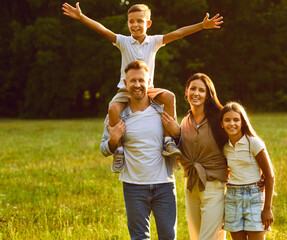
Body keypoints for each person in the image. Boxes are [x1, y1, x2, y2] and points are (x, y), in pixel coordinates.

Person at [62, 2, 224, 172]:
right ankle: (118, 151)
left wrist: (202, 26)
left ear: (148, 23)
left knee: (169, 97)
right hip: (126, 90)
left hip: (149, 89)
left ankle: (168, 141)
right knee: (113, 108)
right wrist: (81, 17)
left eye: (139, 21)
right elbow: (102, 30)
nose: (135, 25)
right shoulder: (123, 42)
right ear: (127, 24)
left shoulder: (154, 42)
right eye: (131, 21)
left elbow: (178, 33)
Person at [100, 60, 179, 240]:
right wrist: (113, 140)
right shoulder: (118, 114)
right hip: (133, 186)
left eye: (141, 80)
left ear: (149, 82)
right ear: (126, 83)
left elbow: (179, 143)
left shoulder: (162, 111)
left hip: (164, 185)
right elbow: (104, 149)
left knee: (168, 236)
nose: (137, 85)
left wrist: (177, 132)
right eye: (133, 81)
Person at [163, 73, 229, 240]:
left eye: (201, 90)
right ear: (186, 92)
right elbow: (181, 154)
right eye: (193, 89)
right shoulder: (185, 121)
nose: (196, 93)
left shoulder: (220, 119)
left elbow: (237, 144)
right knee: (196, 236)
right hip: (191, 185)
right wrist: (176, 134)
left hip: (214, 185)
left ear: (208, 94)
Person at [219, 102, 275, 240]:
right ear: (221, 123)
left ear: (242, 122)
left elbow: (270, 176)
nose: (232, 123)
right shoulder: (225, 147)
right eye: (227, 120)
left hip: (254, 198)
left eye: (236, 120)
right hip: (232, 198)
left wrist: (267, 209)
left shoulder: (254, 143)